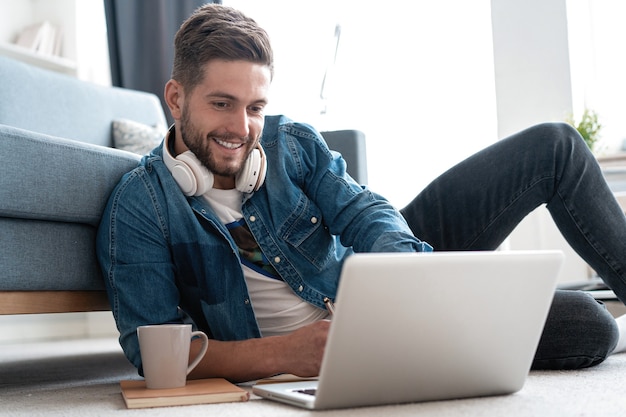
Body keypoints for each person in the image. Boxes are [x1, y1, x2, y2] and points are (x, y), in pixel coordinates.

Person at [96, 4, 626, 383]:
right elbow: (158, 353)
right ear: (175, 97)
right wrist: (286, 354)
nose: (242, 126)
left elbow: (364, 211)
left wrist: (412, 281)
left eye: (254, 106)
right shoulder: (141, 206)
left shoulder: (290, 144)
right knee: (590, 329)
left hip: (382, 285)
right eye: (221, 103)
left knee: (554, 145)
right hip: (343, 345)